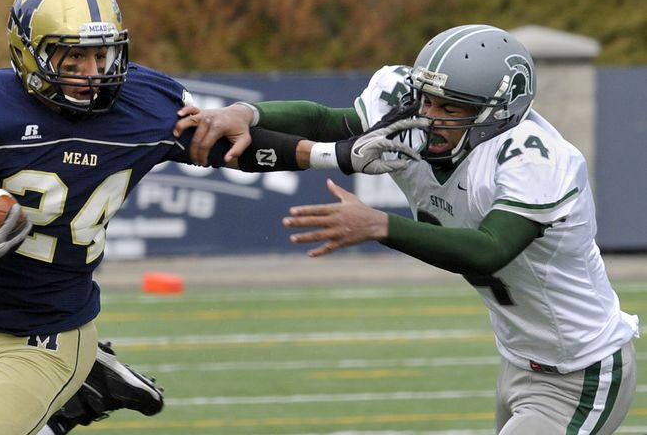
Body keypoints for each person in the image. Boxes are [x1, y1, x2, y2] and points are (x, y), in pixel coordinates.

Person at [174, 24, 639, 434]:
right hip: (520, 357)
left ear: (498, 113)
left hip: (580, 369)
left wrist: (379, 224)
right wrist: (249, 114)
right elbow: (330, 122)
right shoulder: (414, 116)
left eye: (450, 107)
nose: (429, 115)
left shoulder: (535, 158)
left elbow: (491, 249)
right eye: (427, 99)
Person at [0, 0, 240, 435]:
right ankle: (82, 396)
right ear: (30, 53)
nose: (92, 73)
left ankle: (77, 380)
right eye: (74, 56)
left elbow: (244, 144)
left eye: (101, 55)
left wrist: (331, 152)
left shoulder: (147, 106)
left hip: (52, 333)